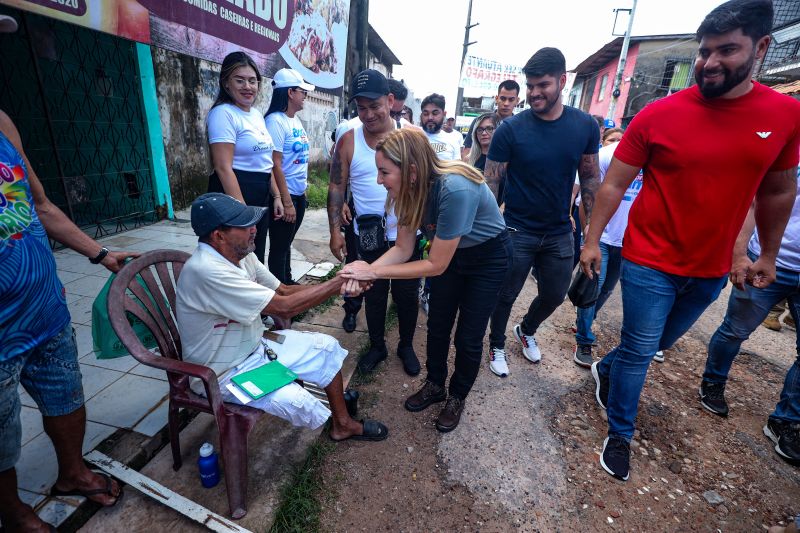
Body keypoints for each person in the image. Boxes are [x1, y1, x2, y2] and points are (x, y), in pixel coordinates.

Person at [581, 0, 800, 482]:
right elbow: (614, 184)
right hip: (648, 258)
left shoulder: (784, 115)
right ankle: (620, 433)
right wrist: (592, 241)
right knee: (642, 349)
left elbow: (779, 189)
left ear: (761, 48)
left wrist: (764, 253)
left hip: (712, 267)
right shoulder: (659, 114)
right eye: (704, 52)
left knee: (660, 341)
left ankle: (608, 370)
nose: (709, 62)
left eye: (727, 50)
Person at [0, 24, 136, 527]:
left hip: (43, 305)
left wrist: (100, 254)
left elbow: (41, 205)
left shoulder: (4, 124)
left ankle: (72, 471)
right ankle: (11, 509)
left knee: (66, 394)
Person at [176, 193, 388, 441]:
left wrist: (341, 285)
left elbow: (284, 290)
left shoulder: (241, 255)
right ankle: (334, 418)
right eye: (244, 226)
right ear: (218, 235)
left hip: (254, 348)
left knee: (326, 347)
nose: (254, 229)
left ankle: (342, 424)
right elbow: (284, 307)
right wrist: (340, 280)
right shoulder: (207, 270)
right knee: (298, 401)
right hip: (223, 373)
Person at [340, 129, 512, 432]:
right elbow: (403, 249)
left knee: (468, 337)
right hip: (451, 255)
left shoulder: (455, 188)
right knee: (437, 326)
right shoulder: (409, 191)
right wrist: (363, 271)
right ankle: (435, 384)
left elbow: (434, 264)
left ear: (412, 170)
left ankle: (457, 397)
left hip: (488, 259)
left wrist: (372, 272)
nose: (379, 180)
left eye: (384, 172)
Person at [484, 47, 600, 378]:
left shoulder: (584, 126)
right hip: (517, 229)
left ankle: (527, 329)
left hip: (559, 231)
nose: (534, 92)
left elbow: (591, 178)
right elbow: (492, 183)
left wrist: (592, 235)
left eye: (543, 85)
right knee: (505, 294)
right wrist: (488, 232)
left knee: (554, 295)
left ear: (562, 81)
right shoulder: (511, 129)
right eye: (530, 85)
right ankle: (496, 343)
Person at [699, 172, 800, 464]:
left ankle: (785, 421)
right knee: (734, 331)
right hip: (766, 260)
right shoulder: (789, 155)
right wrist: (740, 253)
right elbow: (756, 203)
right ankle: (713, 382)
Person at [327, 69, 421, 376]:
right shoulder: (349, 140)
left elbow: (427, 184)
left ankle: (405, 345)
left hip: (407, 231)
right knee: (375, 294)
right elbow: (337, 186)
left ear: (390, 101)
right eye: (361, 107)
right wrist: (334, 231)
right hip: (368, 236)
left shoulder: (412, 137)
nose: (368, 114)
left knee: (407, 296)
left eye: (374, 105)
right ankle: (377, 345)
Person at [571, 129, 641, 369]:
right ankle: (584, 340)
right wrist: (588, 237)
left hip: (629, 240)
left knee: (606, 291)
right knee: (592, 287)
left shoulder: (654, 159)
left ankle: (584, 322)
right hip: (601, 236)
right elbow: (586, 199)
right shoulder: (605, 156)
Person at [207, 51, 282, 264]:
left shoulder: (256, 115)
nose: (247, 87)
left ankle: (255, 296)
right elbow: (223, 167)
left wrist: (275, 196)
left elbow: (266, 163)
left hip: (260, 193)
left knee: (255, 256)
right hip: (234, 194)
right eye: (239, 80)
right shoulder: (223, 114)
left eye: (252, 81)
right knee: (233, 257)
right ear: (226, 83)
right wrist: (243, 213)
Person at [264, 68, 315, 284]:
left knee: (286, 243)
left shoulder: (295, 121)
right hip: (286, 196)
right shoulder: (275, 121)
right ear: (290, 93)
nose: (305, 95)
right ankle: (279, 293)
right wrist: (286, 201)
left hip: (298, 193)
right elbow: (274, 164)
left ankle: (288, 282)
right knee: (279, 246)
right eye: (302, 91)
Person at [462, 80, 521, 158]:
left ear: (517, 101)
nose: (506, 103)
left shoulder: (520, 127)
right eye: (503, 99)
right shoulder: (479, 122)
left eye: (511, 100)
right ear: (496, 99)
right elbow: (467, 151)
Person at [420, 93, 462, 161]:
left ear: (444, 114)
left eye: (435, 113)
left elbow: (457, 169)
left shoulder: (453, 141)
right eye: (426, 114)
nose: (430, 117)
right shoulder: (412, 136)